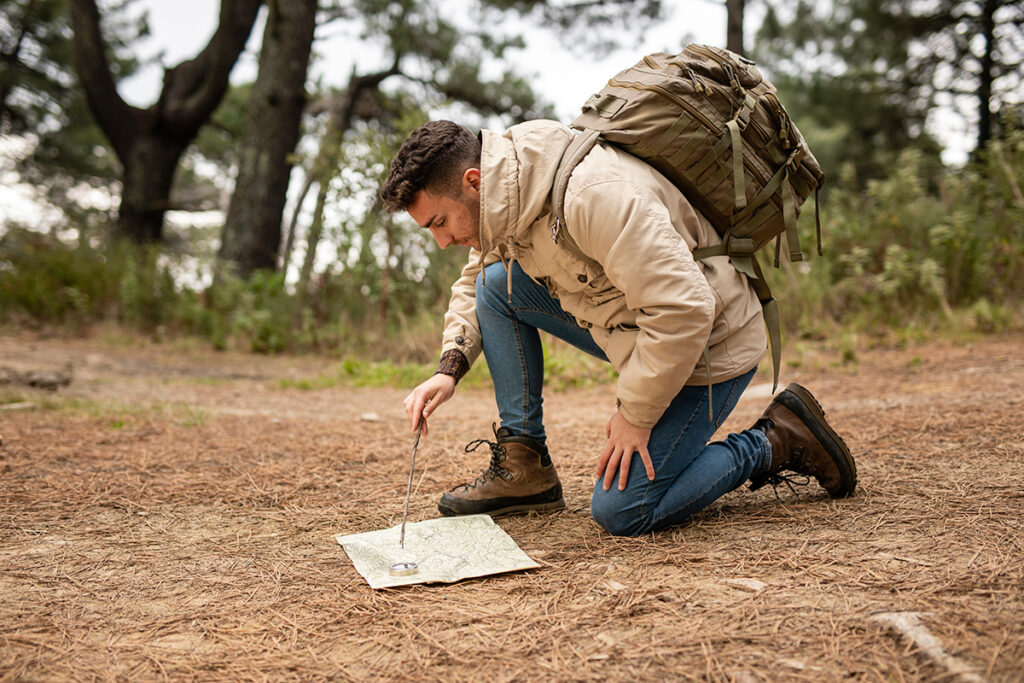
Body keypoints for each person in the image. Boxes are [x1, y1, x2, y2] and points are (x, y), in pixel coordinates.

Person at [379, 119, 856, 537]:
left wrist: (637, 414)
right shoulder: (510, 199)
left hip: (710, 344)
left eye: (439, 222)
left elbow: (686, 309)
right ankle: (525, 466)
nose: (442, 241)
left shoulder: (589, 196)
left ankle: (776, 439)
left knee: (624, 509)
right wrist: (450, 366)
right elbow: (476, 279)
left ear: (473, 181)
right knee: (496, 285)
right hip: (642, 328)